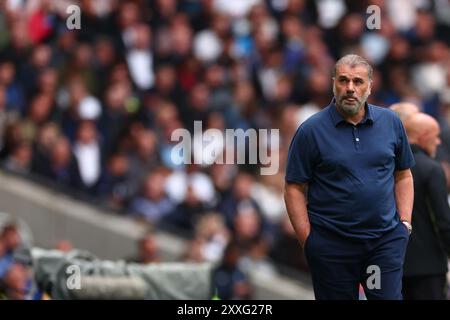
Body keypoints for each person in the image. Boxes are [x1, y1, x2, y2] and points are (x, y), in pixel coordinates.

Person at [284, 54, 415, 300]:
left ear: (370, 86)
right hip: (332, 246)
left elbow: (403, 174)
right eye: (343, 81)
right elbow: (294, 187)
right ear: (333, 83)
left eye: (358, 82)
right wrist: (309, 241)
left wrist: (404, 225)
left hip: (382, 243)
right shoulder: (311, 130)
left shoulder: (391, 122)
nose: (350, 88)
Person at [401, 112, 450, 299]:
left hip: (391, 263)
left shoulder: (387, 165)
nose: (438, 142)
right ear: (422, 137)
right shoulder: (431, 168)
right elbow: (443, 221)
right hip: (428, 267)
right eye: (435, 136)